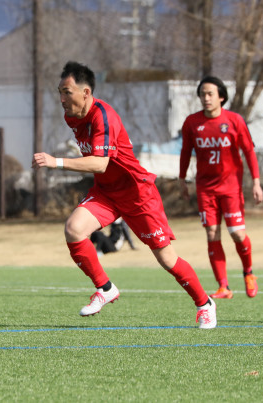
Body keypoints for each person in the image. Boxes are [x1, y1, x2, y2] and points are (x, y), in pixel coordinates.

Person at [32, 61, 216, 329]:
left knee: (167, 259)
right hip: (107, 192)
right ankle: (105, 288)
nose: (61, 98)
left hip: (137, 193)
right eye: (59, 91)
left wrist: (56, 162)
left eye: (66, 91)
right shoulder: (72, 116)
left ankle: (205, 304)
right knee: (73, 229)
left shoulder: (103, 116)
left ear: (85, 92)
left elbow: (100, 163)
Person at [179, 76, 263, 300]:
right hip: (205, 188)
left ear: (221, 97)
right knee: (212, 233)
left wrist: (256, 181)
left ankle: (248, 273)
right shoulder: (191, 123)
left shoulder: (234, 120)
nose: (205, 98)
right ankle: (223, 286)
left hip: (231, 187)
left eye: (210, 94)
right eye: (202, 94)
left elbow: (249, 152)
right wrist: (182, 180)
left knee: (236, 233)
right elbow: (186, 152)